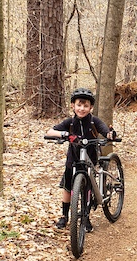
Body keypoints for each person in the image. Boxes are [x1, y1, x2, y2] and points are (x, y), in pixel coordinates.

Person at [46, 88, 115, 231]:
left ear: (91, 108)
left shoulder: (94, 121)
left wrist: (110, 134)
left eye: (85, 106)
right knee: (68, 186)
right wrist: (65, 134)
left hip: (90, 156)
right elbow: (50, 131)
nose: (82, 109)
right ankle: (64, 216)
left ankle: (86, 216)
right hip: (73, 158)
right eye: (79, 105)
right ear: (73, 105)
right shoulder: (70, 122)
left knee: (87, 187)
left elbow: (105, 132)